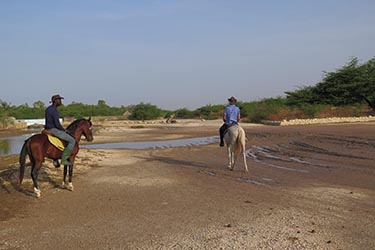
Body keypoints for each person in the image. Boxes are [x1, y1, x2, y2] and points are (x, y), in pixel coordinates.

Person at [45, 94, 75, 165]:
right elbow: (57, 124)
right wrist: (64, 130)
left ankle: (55, 159)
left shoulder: (48, 109)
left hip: (47, 129)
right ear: (55, 101)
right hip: (53, 130)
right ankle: (64, 159)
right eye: (59, 100)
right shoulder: (55, 111)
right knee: (72, 141)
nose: (60, 101)